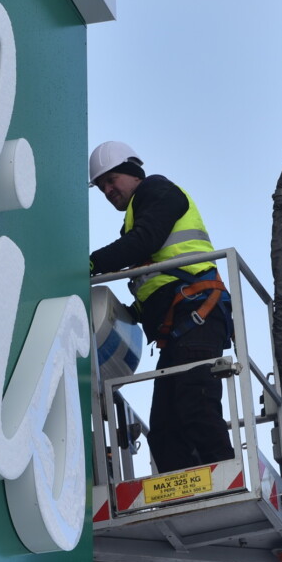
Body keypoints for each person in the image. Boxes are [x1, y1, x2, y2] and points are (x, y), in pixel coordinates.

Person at [88, 141, 234, 475]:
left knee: (196, 404)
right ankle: (185, 493)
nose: (107, 190)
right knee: (165, 430)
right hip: (180, 325)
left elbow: (145, 242)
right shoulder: (137, 217)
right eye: (101, 186)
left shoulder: (158, 191)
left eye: (111, 180)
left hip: (197, 313)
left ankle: (226, 477)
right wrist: (127, 315)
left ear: (133, 172)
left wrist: (91, 264)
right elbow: (157, 285)